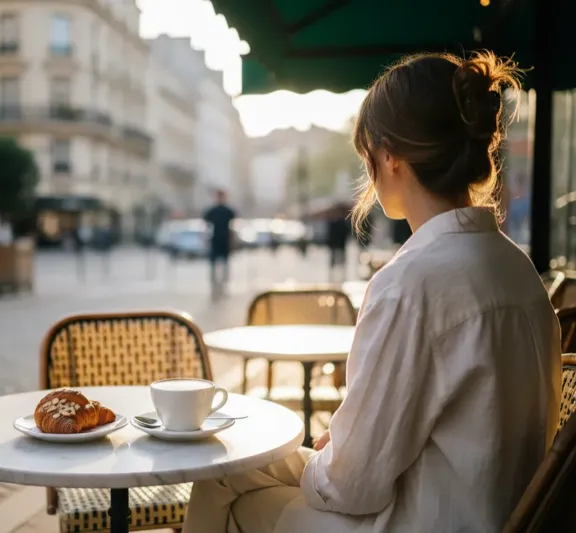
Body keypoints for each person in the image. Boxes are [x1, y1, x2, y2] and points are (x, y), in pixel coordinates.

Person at [183, 51, 561, 533]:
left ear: (388, 154)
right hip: (495, 508)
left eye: (367, 155)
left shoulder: (411, 283)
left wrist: (336, 455)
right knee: (232, 470)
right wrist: (341, 451)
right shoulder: (519, 269)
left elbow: (353, 488)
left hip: (420, 520)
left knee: (223, 484)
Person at [203, 189, 236, 288]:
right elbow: (206, 225)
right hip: (215, 238)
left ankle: (224, 279)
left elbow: (232, 226)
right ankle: (214, 279)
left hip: (225, 238)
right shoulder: (212, 211)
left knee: (225, 261)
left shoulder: (228, 211)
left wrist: (232, 240)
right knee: (213, 260)